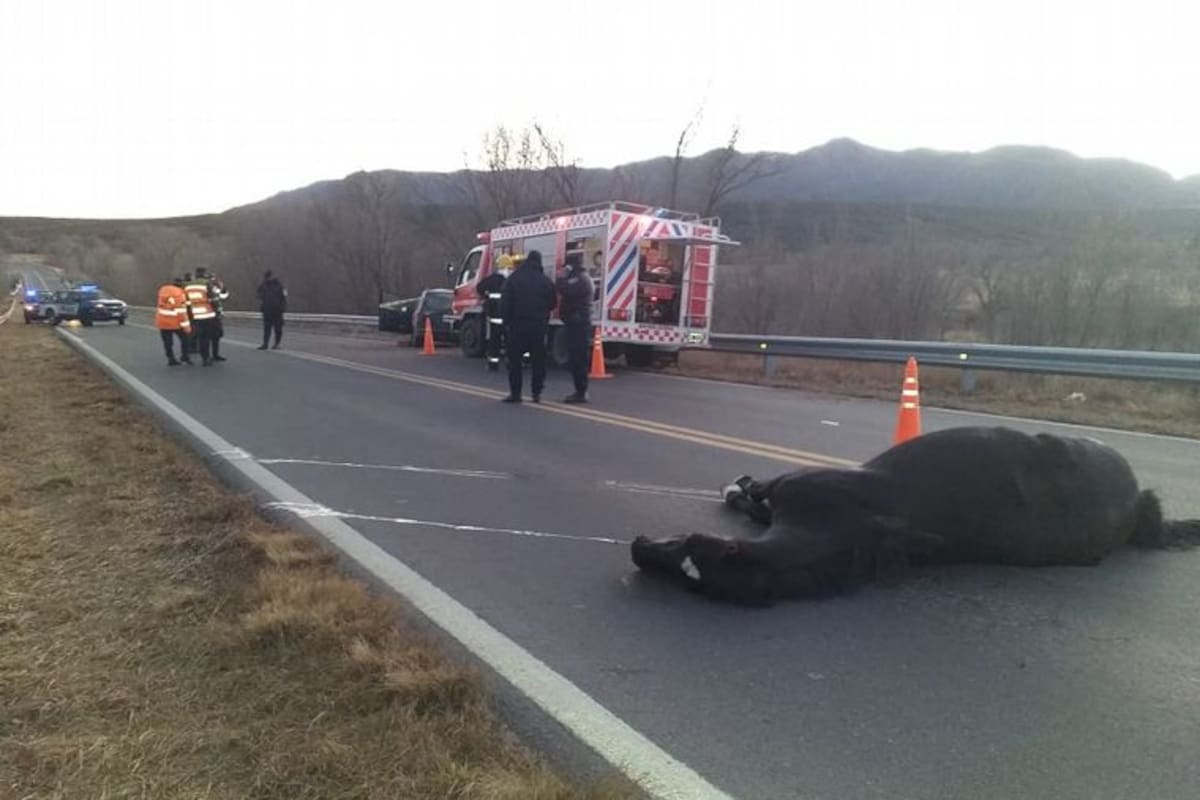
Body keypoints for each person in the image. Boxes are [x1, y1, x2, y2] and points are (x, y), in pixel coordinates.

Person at [498, 250, 556, 403]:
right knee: (538, 362)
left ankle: (515, 393)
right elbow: (553, 303)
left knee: (515, 361)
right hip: (538, 326)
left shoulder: (514, 279)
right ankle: (536, 393)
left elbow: (505, 303)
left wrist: (506, 323)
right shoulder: (545, 281)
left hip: (517, 326)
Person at [556, 254, 595, 403]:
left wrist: (560, 278)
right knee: (576, 358)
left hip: (579, 323)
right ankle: (580, 390)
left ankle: (581, 392)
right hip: (576, 322)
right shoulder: (581, 278)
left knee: (578, 359)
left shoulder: (579, 279)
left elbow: (566, 290)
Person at [476, 255, 512, 371]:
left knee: (494, 341)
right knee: (509, 342)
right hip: (509, 318)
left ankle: (493, 364)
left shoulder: (492, 279)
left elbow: (479, 287)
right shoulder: (512, 281)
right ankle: (510, 363)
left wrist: (486, 296)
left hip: (494, 317)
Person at [183, 270, 218, 366]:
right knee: (206, 338)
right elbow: (213, 299)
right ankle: (206, 358)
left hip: (196, 314)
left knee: (200, 337)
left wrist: (190, 312)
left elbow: (186, 301)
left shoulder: (188, 286)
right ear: (203, 274)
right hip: (208, 314)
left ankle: (202, 356)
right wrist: (216, 310)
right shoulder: (207, 284)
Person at [155, 277, 192, 366]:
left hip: (162, 321)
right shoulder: (179, 293)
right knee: (185, 339)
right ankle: (185, 357)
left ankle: (171, 359)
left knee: (167, 342)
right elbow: (181, 311)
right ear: (181, 285)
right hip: (175, 322)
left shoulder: (163, 290)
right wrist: (186, 326)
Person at [255, 270, 287, 350]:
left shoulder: (279, 285)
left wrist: (283, 308)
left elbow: (283, 298)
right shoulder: (264, 285)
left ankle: (275, 344)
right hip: (269, 310)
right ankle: (267, 344)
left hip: (276, 310)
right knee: (268, 328)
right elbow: (258, 295)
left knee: (276, 329)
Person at [204, 268, 230, 362]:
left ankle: (215, 354)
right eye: (211, 278)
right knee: (207, 336)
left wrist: (223, 288)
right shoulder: (205, 287)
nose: (212, 280)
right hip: (207, 314)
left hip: (216, 314)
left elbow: (223, 296)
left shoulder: (215, 287)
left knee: (216, 335)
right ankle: (207, 356)